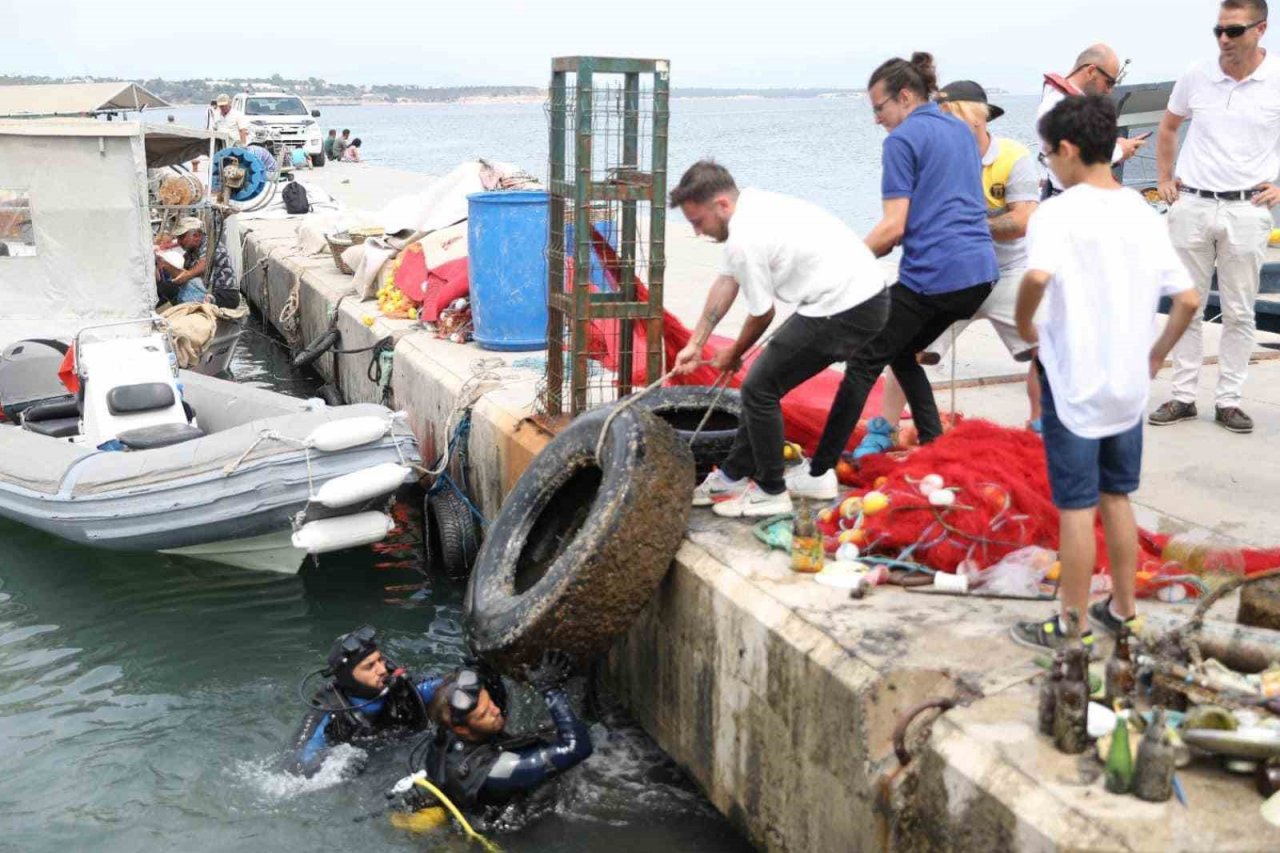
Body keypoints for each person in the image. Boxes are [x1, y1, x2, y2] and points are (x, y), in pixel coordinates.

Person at [1010, 96, 1199, 651]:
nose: (1048, 163)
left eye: (1047, 154)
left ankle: (1071, 625)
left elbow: (1036, 278)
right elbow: (1188, 300)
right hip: (1127, 386)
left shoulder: (1056, 213)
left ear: (1068, 150)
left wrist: (1024, 326)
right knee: (1117, 496)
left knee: (1075, 506)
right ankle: (1123, 610)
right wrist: (1157, 355)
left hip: (1074, 382)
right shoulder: (1139, 210)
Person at [804, 53, 998, 484]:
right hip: (980, 274)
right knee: (900, 351)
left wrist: (842, 265)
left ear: (905, 96)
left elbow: (893, 228)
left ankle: (820, 470)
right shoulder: (960, 129)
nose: (877, 119)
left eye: (880, 108)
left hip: (937, 276)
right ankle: (933, 446)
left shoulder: (901, 141)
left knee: (863, 359)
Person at [670, 162, 889, 516]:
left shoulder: (744, 239)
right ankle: (736, 475)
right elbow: (727, 280)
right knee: (762, 385)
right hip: (862, 296)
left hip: (846, 305)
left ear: (722, 204)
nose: (697, 232)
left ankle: (771, 491)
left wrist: (734, 353)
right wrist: (695, 343)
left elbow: (762, 313)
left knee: (760, 388)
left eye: (698, 222)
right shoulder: (751, 205)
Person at [855, 80, 1042, 459]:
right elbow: (900, 219)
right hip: (949, 276)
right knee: (901, 344)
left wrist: (965, 226)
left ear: (978, 119)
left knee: (1047, 347)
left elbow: (1024, 220)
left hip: (1007, 272)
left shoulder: (1013, 156)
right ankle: (885, 428)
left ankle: (1041, 425)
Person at [1149, 0, 1280, 435]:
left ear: (1261, 29)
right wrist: (1163, 178)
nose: (1224, 39)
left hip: (1247, 208)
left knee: (1239, 312)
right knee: (1186, 305)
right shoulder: (1196, 74)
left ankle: (1229, 400)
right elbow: (1169, 126)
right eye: (1219, 30)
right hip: (1193, 203)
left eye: (1234, 30)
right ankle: (1183, 396)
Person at [420, 651, 592, 813]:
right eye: (484, 714)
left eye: (489, 702)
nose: (495, 710)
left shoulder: (449, 727)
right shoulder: (494, 773)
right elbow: (577, 748)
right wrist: (549, 688)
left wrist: (487, 658)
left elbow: (476, 676)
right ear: (461, 728)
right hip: (516, 822)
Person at [288, 626, 448, 776]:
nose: (382, 670)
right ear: (348, 677)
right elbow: (297, 765)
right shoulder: (329, 709)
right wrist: (335, 763)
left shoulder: (402, 687)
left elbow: (446, 687)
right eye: (370, 666)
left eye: (380, 660)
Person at [1037, 44, 1146, 199]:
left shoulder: (1063, 101)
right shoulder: (1058, 105)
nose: (1109, 91)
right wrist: (1120, 150)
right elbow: (1078, 160)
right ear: (1091, 71)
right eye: (1109, 82)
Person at [154, 217, 240, 309]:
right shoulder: (190, 253)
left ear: (196, 236)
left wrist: (184, 276)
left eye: (182, 237)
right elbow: (181, 274)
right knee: (166, 288)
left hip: (224, 295)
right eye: (178, 238)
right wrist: (164, 265)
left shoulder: (212, 245)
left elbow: (203, 265)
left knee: (179, 287)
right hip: (203, 291)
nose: (179, 242)